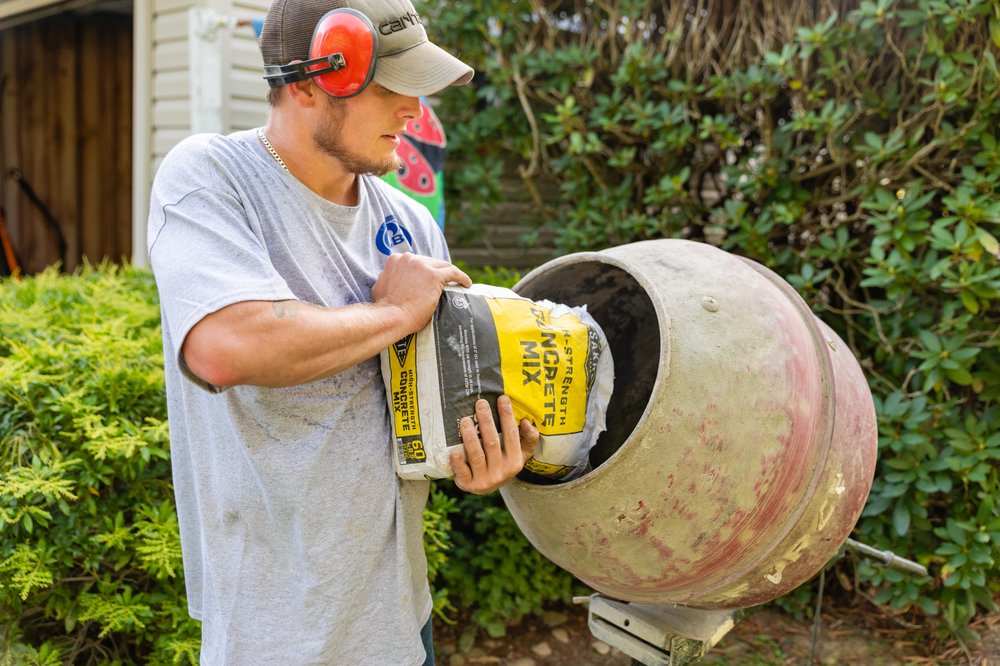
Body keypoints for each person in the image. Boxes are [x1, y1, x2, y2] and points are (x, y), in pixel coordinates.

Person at [146, 0, 539, 663]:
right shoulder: (213, 179)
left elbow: (421, 421)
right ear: (306, 82)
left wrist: (476, 457)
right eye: (392, 87)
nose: (414, 111)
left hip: (401, 623)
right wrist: (394, 314)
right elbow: (223, 345)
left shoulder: (412, 227)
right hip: (272, 636)